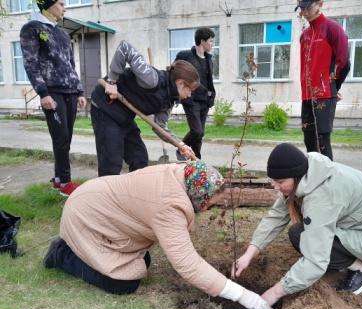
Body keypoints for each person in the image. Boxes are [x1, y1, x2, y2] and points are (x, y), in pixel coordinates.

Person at [43, 160, 273, 309]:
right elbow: (187, 264)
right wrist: (243, 296)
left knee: (143, 264)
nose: (210, 208)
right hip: (87, 216)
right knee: (123, 284)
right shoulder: (168, 205)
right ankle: (62, 254)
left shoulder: (184, 175)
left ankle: (80, 252)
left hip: (100, 204)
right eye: (209, 203)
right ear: (199, 196)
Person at [232, 143, 362, 306]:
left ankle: (361, 269)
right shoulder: (307, 173)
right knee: (299, 234)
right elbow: (276, 216)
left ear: (295, 175)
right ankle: (344, 259)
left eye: (280, 182)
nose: (275, 187)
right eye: (273, 181)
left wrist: (274, 294)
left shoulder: (321, 198)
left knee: (302, 236)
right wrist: (249, 254)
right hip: (359, 226)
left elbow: (316, 260)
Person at [90, 40, 196, 176]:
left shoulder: (168, 101)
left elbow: (160, 127)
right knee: (111, 163)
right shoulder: (152, 79)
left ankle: (134, 194)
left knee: (139, 159)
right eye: (190, 89)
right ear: (180, 83)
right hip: (105, 108)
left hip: (125, 116)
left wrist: (180, 145)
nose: (190, 94)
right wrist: (111, 81)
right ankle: (104, 195)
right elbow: (125, 48)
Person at [20, 0, 87, 196]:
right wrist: (43, 93)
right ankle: (66, 183)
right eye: (60, 3)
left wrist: (80, 91)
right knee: (61, 139)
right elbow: (31, 63)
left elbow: (70, 65)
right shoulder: (31, 28)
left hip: (70, 92)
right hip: (52, 92)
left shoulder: (62, 33)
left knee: (67, 138)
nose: (64, 7)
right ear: (48, 5)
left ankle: (58, 179)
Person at [295, 0, 350, 161]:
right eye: (301, 8)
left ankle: (328, 181)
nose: (304, 12)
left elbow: (344, 63)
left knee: (322, 141)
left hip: (325, 95)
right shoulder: (304, 36)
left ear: (320, 4)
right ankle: (314, 178)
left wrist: (334, 87)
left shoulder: (333, 29)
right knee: (309, 140)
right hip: (307, 96)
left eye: (307, 7)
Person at [175, 27, 216, 160]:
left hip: (205, 101)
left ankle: (196, 159)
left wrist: (211, 96)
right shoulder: (185, 56)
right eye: (210, 41)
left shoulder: (209, 59)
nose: (212, 44)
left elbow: (209, 81)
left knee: (200, 134)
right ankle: (181, 148)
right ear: (202, 41)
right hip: (191, 99)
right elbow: (175, 73)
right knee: (196, 131)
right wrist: (176, 94)